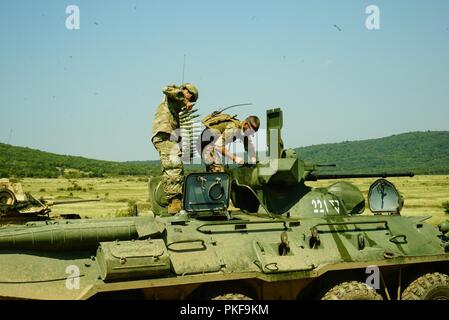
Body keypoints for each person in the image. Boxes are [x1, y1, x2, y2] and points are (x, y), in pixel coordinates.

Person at [151, 83, 199, 214]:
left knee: (175, 168)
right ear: (186, 91)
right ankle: (174, 205)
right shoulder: (174, 92)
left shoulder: (176, 105)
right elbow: (166, 89)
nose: (190, 102)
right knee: (174, 167)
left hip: (168, 134)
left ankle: (175, 202)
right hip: (164, 133)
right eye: (191, 98)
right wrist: (185, 100)